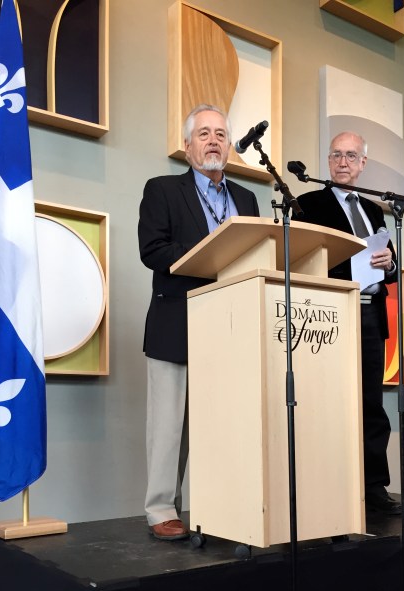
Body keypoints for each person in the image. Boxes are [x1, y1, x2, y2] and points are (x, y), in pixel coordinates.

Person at [138, 104, 260, 539]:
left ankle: (215, 505)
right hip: (176, 322)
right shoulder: (163, 189)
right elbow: (152, 250)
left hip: (230, 325)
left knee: (219, 424)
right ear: (187, 146)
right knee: (169, 426)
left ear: (229, 145)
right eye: (204, 133)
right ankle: (160, 510)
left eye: (221, 134)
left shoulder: (246, 199)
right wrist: (207, 255)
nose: (213, 140)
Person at [293, 131, 401, 516]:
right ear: (327, 160)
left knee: (372, 402)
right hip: (331, 312)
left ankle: (373, 486)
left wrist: (389, 265)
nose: (343, 162)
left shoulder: (373, 210)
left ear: (363, 164)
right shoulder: (307, 203)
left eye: (351, 156)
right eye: (336, 155)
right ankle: (328, 485)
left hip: (371, 313)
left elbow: (388, 266)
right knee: (328, 401)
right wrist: (348, 269)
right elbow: (301, 258)